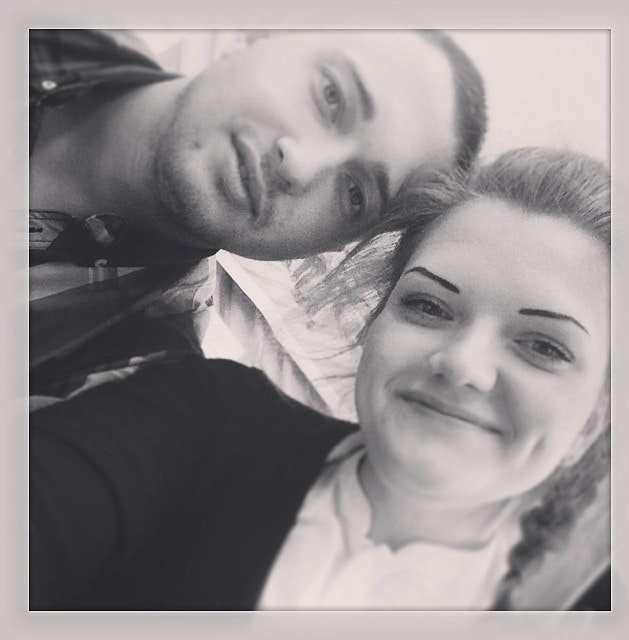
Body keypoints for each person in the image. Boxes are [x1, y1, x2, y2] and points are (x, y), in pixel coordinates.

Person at [29, 146, 610, 610]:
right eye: (429, 306)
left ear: (593, 422)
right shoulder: (205, 417)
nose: (462, 364)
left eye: (544, 346)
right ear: (373, 326)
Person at [29, 29, 486, 406]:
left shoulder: (127, 374)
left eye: (354, 194)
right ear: (258, 33)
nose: (300, 166)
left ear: (331, 246)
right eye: (331, 97)